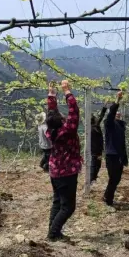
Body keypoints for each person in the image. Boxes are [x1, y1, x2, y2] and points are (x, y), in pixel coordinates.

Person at [45, 80, 81, 241]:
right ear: (61, 120)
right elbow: (74, 110)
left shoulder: (51, 131)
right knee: (68, 207)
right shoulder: (68, 131)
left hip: (55, 171)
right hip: (67, 172)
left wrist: (52, 94)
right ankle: (53, 234)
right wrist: (67, 91)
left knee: (58, 202)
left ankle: (53, 231)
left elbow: (51, 113)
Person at [103, 91, 128, 207]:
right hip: (111, 155)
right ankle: (108, 200)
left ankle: (107, 196)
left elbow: (122, 143)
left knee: (117, 179)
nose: (117, 114)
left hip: (119, 156)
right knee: (113, 178)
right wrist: (117, 100)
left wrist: (124, 158)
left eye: (119, 113)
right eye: (115, 113)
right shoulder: (109, 124)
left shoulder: (121, 126)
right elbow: (111, 113)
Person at [90, 101, 108, 184]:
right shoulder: (92, 127)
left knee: (97, 164)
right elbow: (101, 116)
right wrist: (104, 106)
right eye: (96, 118)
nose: (97, 118)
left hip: (97, 149)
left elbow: (101, 116)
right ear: (93, 120)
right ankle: (91, 179)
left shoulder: (94, 127)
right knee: (94, 164)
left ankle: (94, 177)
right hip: (95, 150)